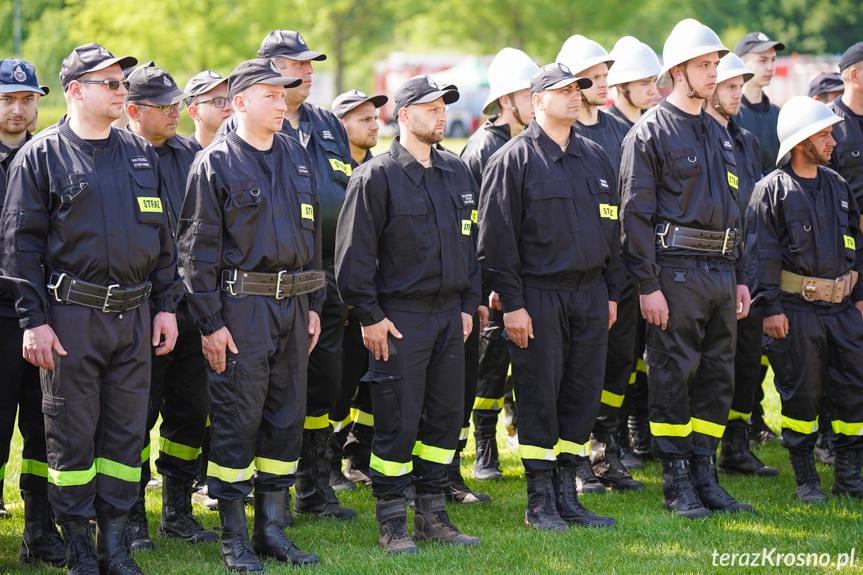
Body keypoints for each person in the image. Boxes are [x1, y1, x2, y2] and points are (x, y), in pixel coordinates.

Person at [1, 42, 182, 575]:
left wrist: (167, 306)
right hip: (70, 319)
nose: (121, 90)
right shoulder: (42, 156)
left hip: (133, 318)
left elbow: (162, 239)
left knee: (126, 436)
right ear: (75, 90)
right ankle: (79, 546)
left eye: (121, 82)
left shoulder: (139, 153)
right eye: (110, 83)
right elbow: (20, 247)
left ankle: (115, 545)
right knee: (71, 435)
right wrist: (33, 321)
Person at [177, 58, 323, 570]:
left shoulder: (296, 155)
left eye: (283, 95)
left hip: (294, 306)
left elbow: (313, 238)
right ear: (239, 103)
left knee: (285, 419)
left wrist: (313, 304)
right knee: (238, 420)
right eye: (270, 95)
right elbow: (196, 255)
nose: (281, 102)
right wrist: (212, 325)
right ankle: (233, 539)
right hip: (241, 310)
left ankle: (273, 532)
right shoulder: (214, 164)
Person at [336, 75, 482, 553]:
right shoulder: (375, 177)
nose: (442, 114)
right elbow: (353, 261)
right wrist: (370, 317)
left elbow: (469, 247)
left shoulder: (457, 171)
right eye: (431, 107)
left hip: (448, 317)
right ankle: (392, 520)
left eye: (444, 107)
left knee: (444, 418)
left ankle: (433, 515)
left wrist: (465, 306)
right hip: (399, 319)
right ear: (403, 115)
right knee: (397, 422)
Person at [217, 30, 356, 521]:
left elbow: (343, 192)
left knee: (321, 384)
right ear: (270, 69)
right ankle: (257, 498)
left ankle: (316, 484)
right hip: (257, 289)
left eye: (312, 64)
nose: (309, 72)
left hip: (321, 276)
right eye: (297, 64)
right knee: (257, 393)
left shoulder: (325, 124)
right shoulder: (231, 140)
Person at [619, 19, 755, 519]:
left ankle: (705, 471)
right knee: (674, 373)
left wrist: (740, 274)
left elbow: (735, 209)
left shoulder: (720, 132)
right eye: (705, 65)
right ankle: (676, 479)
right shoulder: (649, 132)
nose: (714, 72)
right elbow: (634, 215)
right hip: (674, 272)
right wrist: (647, 285)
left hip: (721, 272)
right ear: (678, 71)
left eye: (716, 63)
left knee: (718, 375)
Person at [479, 62, 622, 530]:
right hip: (538, 297)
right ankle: (539, 501)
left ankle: (568, 496)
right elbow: (496, 244)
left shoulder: (597, 157)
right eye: (565, 90)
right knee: (540, 394)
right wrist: (514, 306)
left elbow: (613, 231)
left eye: (579, 88)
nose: (576, 95)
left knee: (582, 395)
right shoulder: (513, 160)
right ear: (537, 101)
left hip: (590, 295)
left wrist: (613, 294)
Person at [746, 96, 863, 503]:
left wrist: (859, 296)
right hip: (796, 314)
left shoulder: (838, 185)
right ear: (801, 143)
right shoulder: (770, 192)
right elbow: (761, 256)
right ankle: (806, 480)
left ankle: (849, 477)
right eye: (824, 134)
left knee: (852, 391)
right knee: (801, 393)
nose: (833, 141)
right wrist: (771, 309)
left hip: (844, 312)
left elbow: (856, 244)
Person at [124, 65, 219, 550]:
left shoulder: (195, 155)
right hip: (138, 309)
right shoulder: (117, 156)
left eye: (176, 104)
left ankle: (178, 508)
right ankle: (131, 514)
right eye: (163, 107)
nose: (174, 113)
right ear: (132, 110)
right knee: (135, 414)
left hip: (191, 305)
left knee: (189, 410)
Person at [557, 36, 645, 492]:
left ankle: (605, 449)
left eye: (608, 74)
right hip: (577, 273)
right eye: (597, 75)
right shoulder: (564, 130)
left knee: (617, 363)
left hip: (620, 267)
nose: (605, 83)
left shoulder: (618, 130)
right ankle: (572, 459)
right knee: (576, 366)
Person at [461, 47, 539, 484]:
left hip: (529, 275)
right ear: (508, 100)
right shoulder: (482, 149)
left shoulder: (530, 142)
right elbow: (476, 226)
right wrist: (488, 284)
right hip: (493, 282)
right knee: (490, 366)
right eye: (530, 93)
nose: (537, 100)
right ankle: (484, 445)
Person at [0, 57, 65, 567]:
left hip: (48, 315)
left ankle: (39, 529)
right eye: (7, 99)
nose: (18, 109)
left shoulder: (51, 158)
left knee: (46, 425)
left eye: (27, 99)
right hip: (0, 318)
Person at [702, 53, 778, 478]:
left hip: (747, 266)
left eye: (738, 86)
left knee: (746, 362)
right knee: (709, 363)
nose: (737, 94)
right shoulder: (697, 137)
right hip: (707, 270)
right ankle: (699, 455)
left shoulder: (747, 140)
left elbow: (754, 206)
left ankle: (736, 446)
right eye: (731, 86)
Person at [604, 36, 663, 463]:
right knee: (617, 353)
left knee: (642, 352)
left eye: (654, 81)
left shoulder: (654, 127)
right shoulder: (604, 131)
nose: (653, 90)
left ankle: (637, 427)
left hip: (649, 258)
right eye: (642, 83)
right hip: (615, 262)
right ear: (619, 87)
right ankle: (614, 436)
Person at [327, 88, 387, 491]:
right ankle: (326, 461)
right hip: (340, 298)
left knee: (372, 381)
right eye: (363, 118)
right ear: (340, 124)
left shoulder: (383, 169)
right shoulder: (331, 172)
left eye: (375, 117)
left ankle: (357, 454)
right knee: (338, 382)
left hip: (381, 297)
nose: (374, 124)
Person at [735, 32, 786, 217]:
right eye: (762, 60)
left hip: (776, 216)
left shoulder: (779, 115)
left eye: (773, 60)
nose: (770, 67)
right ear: (740, 63)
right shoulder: (728, 117)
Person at [605, 36, 662, 127]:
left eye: (654, 81)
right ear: (621, 86)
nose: (653, 91)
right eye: (644, 84)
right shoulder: (606, 128)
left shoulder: (656, 122)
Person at [185, 70, 232, 148]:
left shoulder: (248, 152)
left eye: (230, 99)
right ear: (194, 112)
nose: (229, 107)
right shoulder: (180, 157)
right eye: (218, 101)